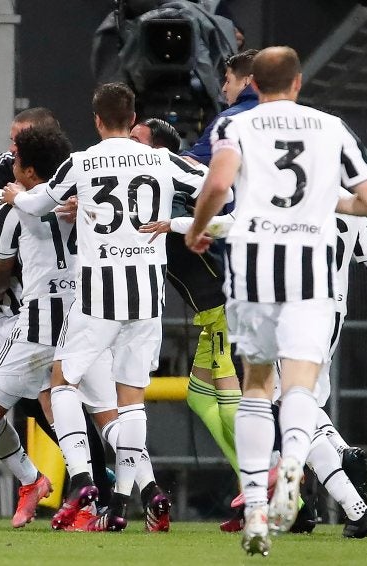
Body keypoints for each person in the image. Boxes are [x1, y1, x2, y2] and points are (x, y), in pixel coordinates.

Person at [185, 46, 367, 556]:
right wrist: (327, 199)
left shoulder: (238, 126)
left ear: (254, 83)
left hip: (254, 268)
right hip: (311, 273)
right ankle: (294, 460)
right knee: (300, 385)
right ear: (297, 83)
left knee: (257, 384)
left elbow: (218, 182)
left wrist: (198, 227)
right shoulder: (331, 127)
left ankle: (256, 507)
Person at [3, 82, 210, 531]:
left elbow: (41, 201)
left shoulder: (82, 162)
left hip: (98, 294)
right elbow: (220, 193)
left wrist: (16, 198)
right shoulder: (162, 159)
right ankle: (122, 503)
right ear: (132, 120)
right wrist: (178, 224)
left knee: (62, 383)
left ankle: (82, 478)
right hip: (147, 295)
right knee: (131, 401)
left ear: (97, 121)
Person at [0, 108, 117, 512]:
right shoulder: (87, 198)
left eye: (17, 152)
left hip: (36, 321)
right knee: (103, 414)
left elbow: (0, 278)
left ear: (31, 168)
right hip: (86, 319)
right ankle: (124, 493)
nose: (11, 156)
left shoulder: (14, 208)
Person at [133, 118, 244, 530]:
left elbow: (226, 201)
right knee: (199, 398)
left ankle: (260, 478)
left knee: (228, 387)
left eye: (137, 139)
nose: (129, 145)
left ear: (160, 149)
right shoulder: (142, 194)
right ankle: (260, 486)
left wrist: (178, 225)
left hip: (222, 305)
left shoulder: (175, 179)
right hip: (208, 311)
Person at [181, 48, 259, 167]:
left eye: (228, 81)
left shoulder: (230, 120)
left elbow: (190, 162)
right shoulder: (290, 117)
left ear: (246, 81)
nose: (224, 89)